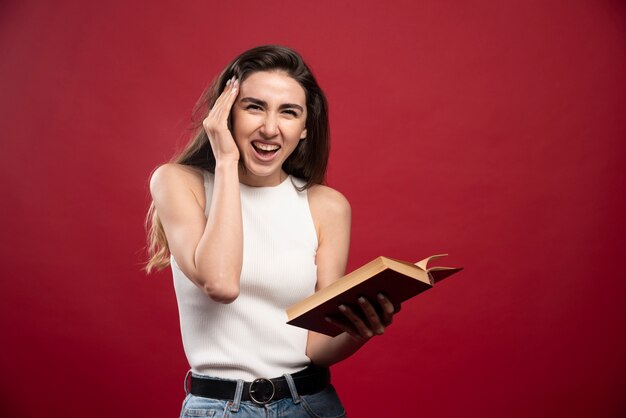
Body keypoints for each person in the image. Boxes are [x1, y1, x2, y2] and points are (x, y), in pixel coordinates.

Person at [145, 45, 398, 418]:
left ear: (305, 128)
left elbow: (317, 345)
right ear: (225, 114)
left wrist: (361, 329)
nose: (269, 128)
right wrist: (227, 161)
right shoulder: (179, 183)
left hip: (311, 404)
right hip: (219, 408)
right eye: (254, 107)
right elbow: (221, 283)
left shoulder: (328, 206)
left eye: (289, 112)